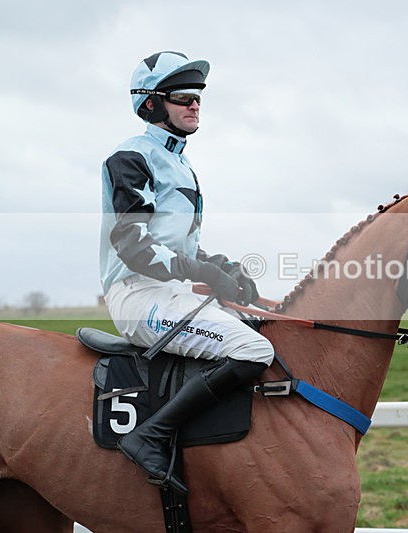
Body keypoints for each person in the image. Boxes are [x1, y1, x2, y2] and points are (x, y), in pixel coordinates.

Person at [100, 51, 275, 494]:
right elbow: (135, 246)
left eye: (197, 96)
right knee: (254, 352)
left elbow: (183, 249)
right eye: (182, 96)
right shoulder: (131, 158)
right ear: (152, 104)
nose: (195, 104)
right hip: (138, 295)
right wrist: (203, 272)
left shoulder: (182, 165)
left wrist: (223, 267)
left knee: (266, 329)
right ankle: (150, 436)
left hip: (172, 292)